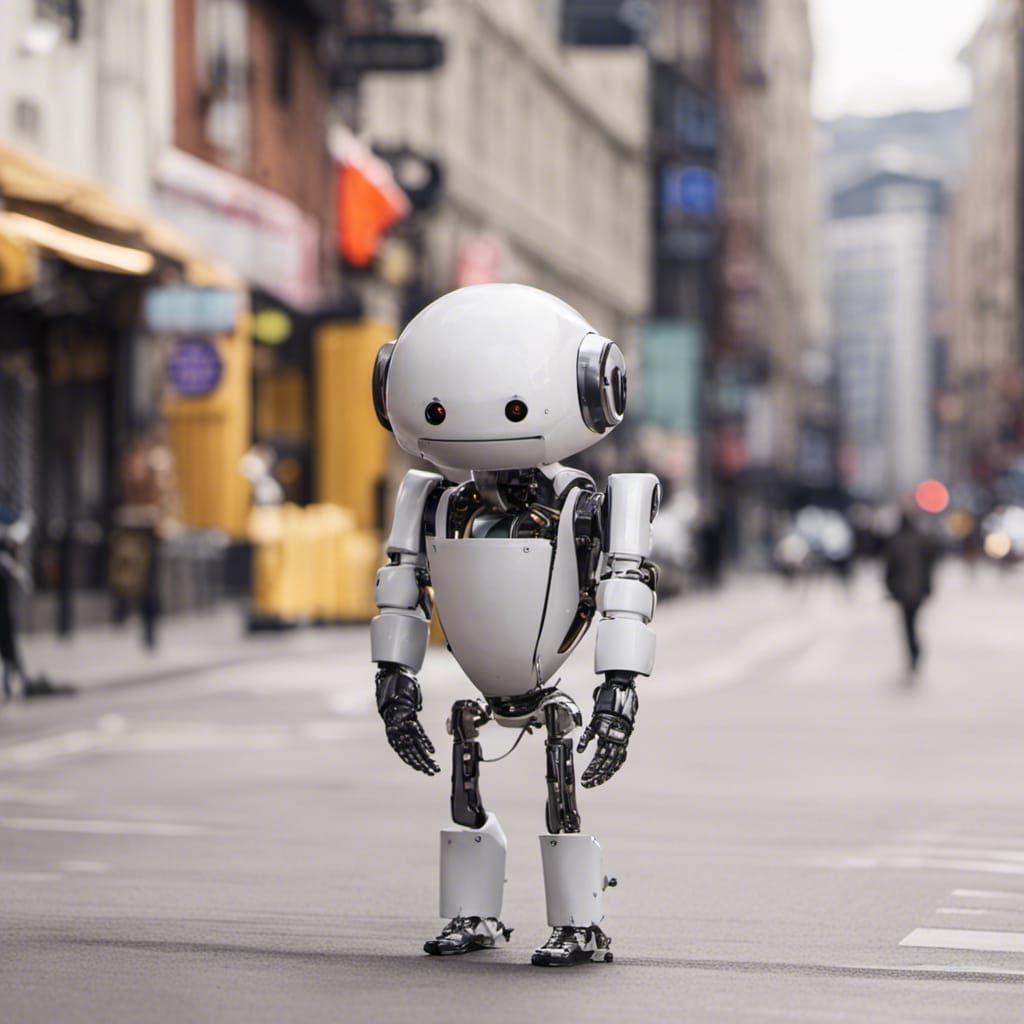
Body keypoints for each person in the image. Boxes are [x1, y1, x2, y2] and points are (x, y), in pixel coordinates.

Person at [369, 284, 658, 966]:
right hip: (481, 669)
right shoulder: (433, 497)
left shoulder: (590, 504)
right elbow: (401, 587)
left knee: (560, 769)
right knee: (465, 760)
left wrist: (618, 691)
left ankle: (579, 920)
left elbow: (623, 589)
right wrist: (394, 681)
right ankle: (473, 913)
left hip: (543, 675)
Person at [883, 513, 936, 671]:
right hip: (916, 590)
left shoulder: (896, 542)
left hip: (903, 590)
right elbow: (929, 566)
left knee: (908, 625)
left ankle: (913, 652)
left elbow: (889, 568)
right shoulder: (921, 540)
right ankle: (914, 652)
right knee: (912, 623)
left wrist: (890, 587)